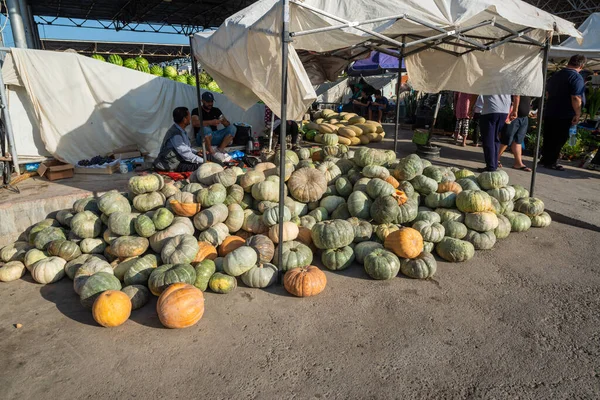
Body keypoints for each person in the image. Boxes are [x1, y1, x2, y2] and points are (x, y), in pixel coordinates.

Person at [542, 54, 587, 171]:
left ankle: (544, 158)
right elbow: (576, 97)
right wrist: (577, 113)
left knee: (548, 136)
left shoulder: (556, 75)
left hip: (551, 110)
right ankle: (551, 161)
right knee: (559, 138)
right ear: (581, 65)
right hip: (564, 113)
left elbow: (547, 93)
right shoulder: (576, 78)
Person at [154, 107, 204, 172]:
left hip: (180, 159)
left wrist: (196, 152)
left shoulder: (181, 131)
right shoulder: (175, 135)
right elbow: (185, 154)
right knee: (202, 166)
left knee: (207, 157)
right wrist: (204, 161)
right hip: (172, 164)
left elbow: (186, 148)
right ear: (184, 120)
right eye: (189, 116)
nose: (190, 119)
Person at [192, 92, 237, 156]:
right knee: (206, 129)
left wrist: (224, 121)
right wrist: (211, 122)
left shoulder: (216, 110)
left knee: (233, 128)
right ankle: (211, 152)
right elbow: (194, 123)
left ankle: (220, 149)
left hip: (215, 136)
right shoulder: (196, 110)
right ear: (202, 101)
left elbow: (227, 125)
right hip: (202, 138)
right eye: (208, 102)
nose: (210, 103)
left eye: (211, 101)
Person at [498, 96, 533, 171]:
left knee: (518, 140)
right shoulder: (517, 85)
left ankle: (518, 163)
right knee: (506, 139)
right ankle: (495, 159)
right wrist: (514, 110)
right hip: (514, 116)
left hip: (524, 117)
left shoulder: (526, 87)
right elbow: (515, 97)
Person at [479, 94, 512, 171]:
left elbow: (476, 90)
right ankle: (494, 163)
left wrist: (471, 106)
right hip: (504, 110)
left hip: (490, 109)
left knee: (488, 139)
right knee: (495, 138)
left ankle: (491, 166)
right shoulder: (508, 81)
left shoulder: (486, 80)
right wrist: (515, 109)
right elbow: (516, 95)